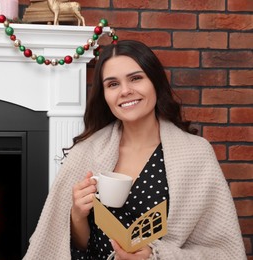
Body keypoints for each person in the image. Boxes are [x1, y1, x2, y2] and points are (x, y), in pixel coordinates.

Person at [23, 40, 246, 260]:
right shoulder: (86, 153)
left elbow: (224, 251)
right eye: (113, 84)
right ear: (105, 95)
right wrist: (77, 214)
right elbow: (80, 247)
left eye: (136, 78)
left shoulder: (196, 154)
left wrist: (155, 256)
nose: (125, 91)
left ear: (155, 83)